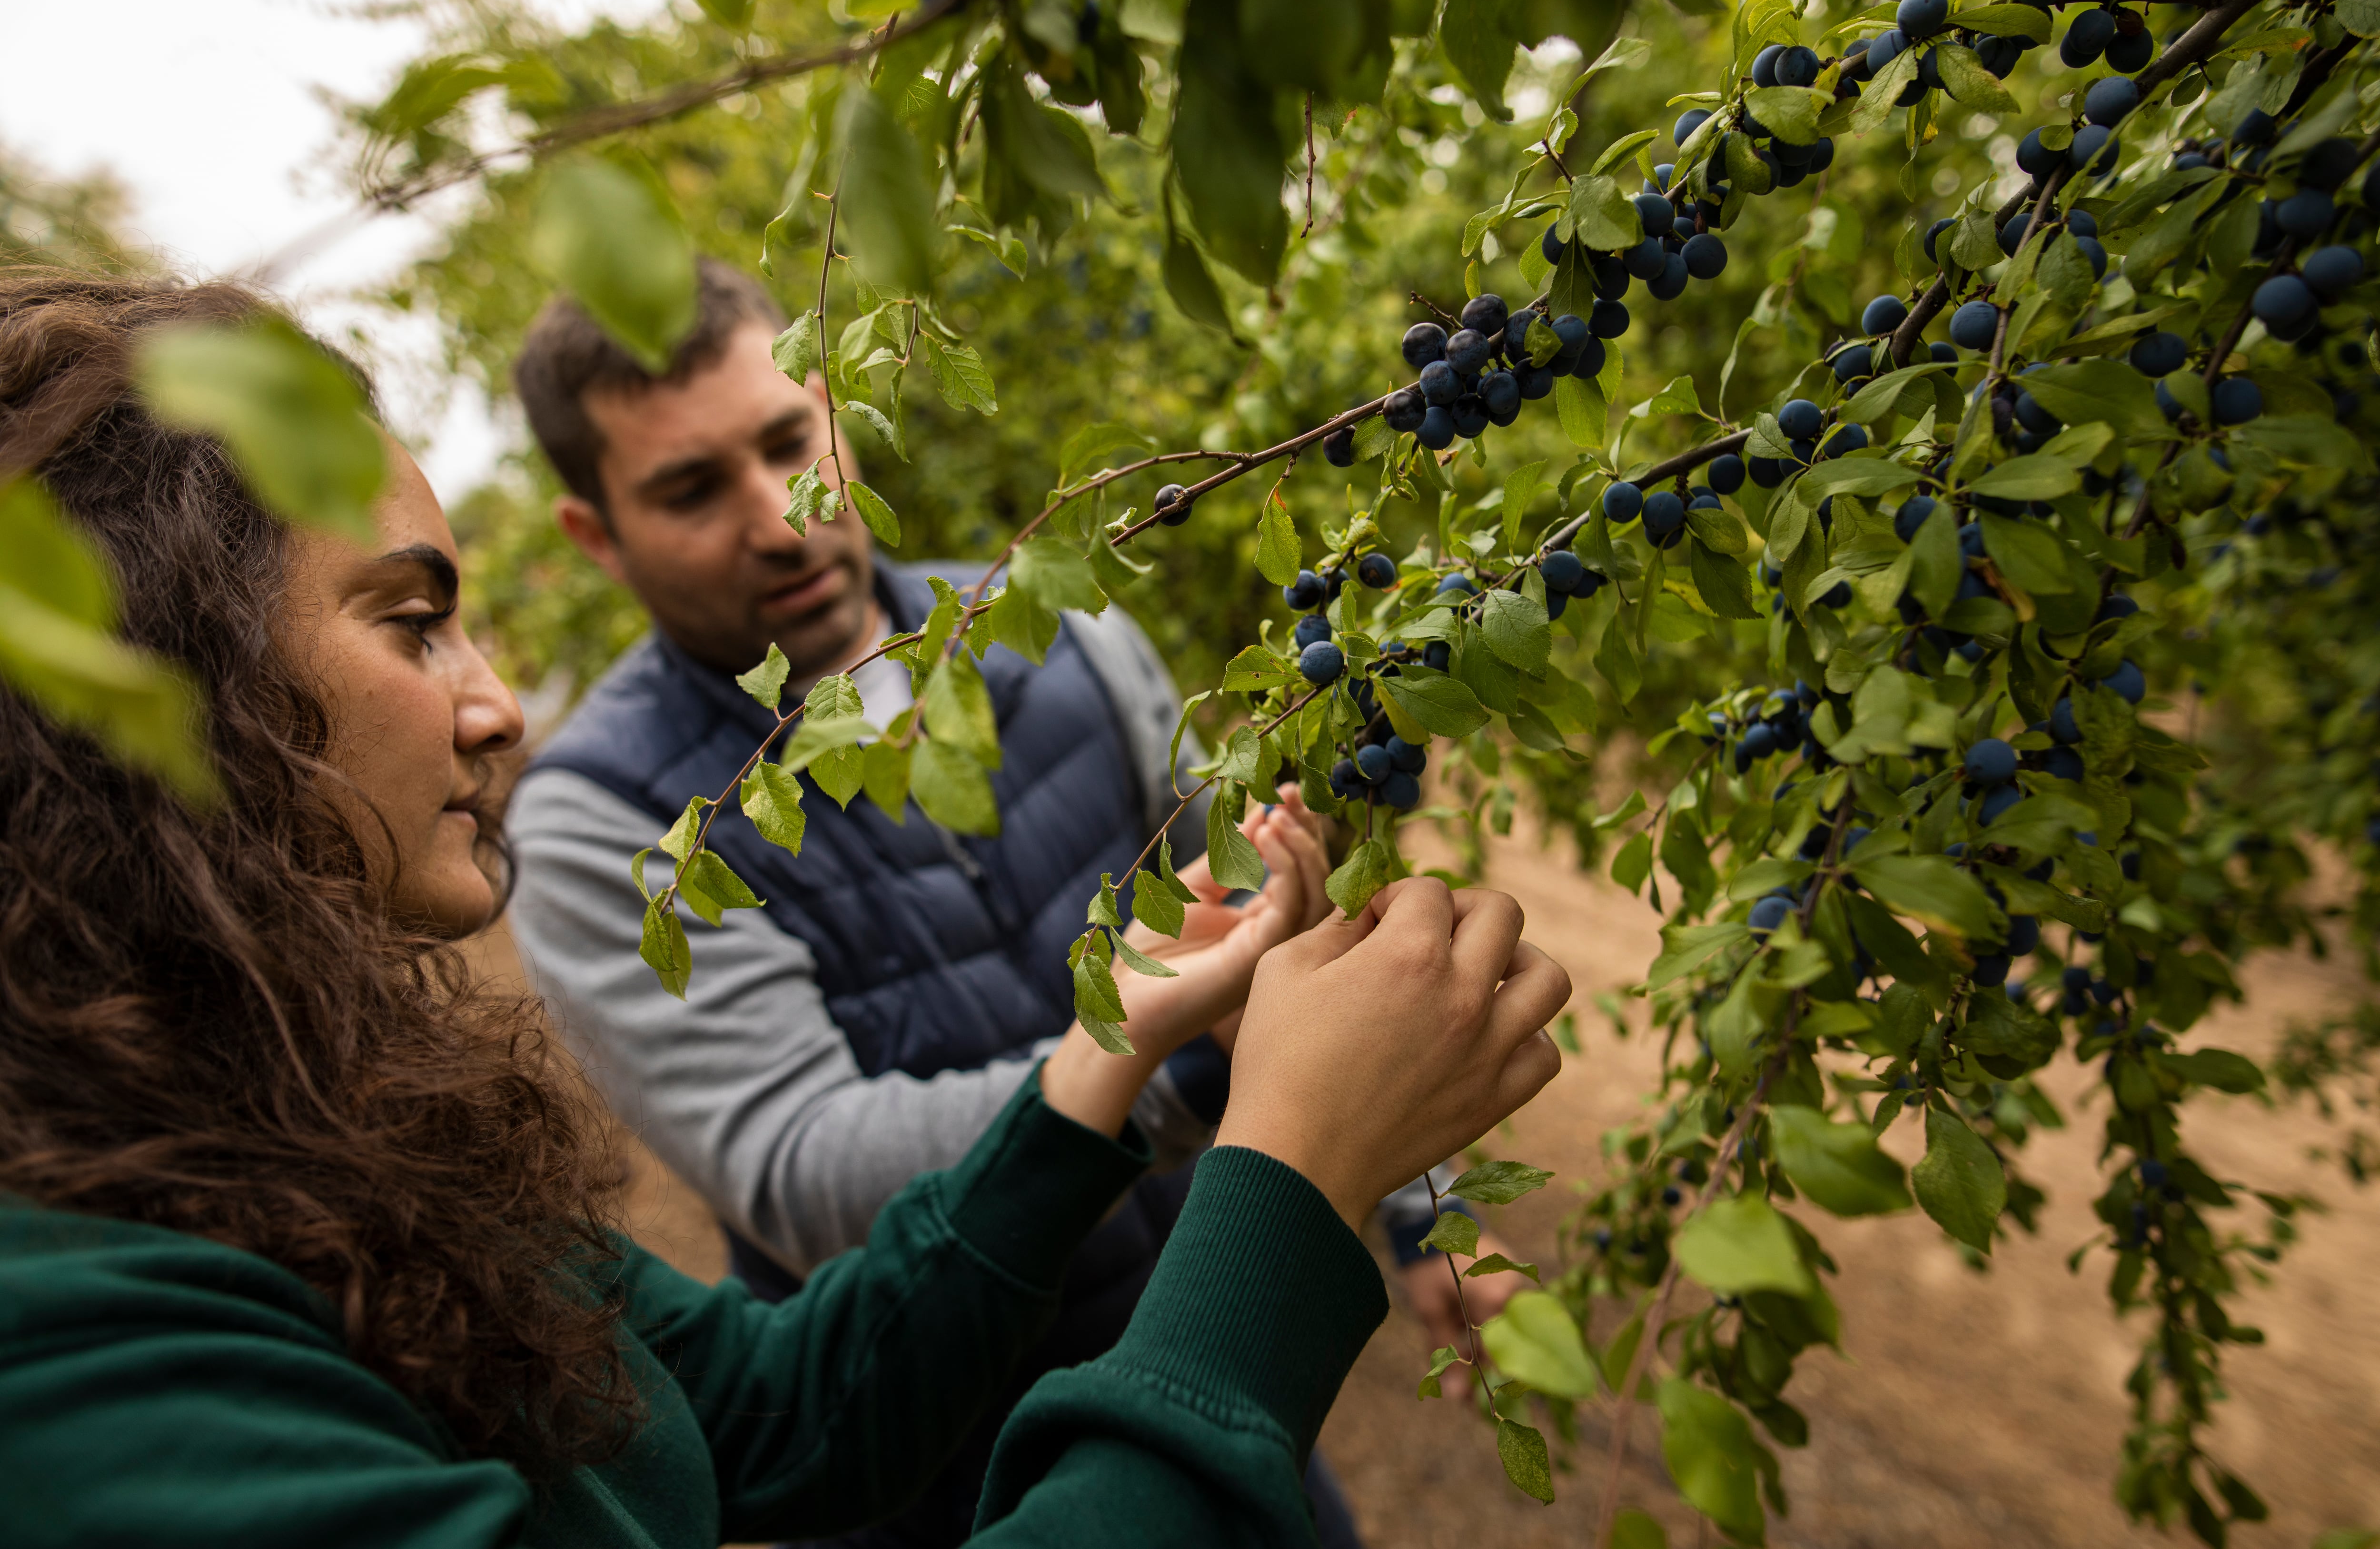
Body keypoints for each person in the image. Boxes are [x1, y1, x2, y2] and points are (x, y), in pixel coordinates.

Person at [0, 274, 1569, 1547]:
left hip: (1200, 1417)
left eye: (788, 441)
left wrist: (1128, 1047)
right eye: (413, 624)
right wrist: (1268, 1146)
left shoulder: (297, 1125)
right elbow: (804, 1173)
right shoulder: (90, 1362)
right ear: (152, 696)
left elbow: (760, 1408)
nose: (496, 711)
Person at [503, 262, 1527, 1536]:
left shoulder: (1059, 626)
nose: (780, 517)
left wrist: (1426, 1213)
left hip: (1206, 1376)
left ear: (832, 409)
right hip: (939, 1477)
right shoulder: (605, 822)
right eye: (691, 490)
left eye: (787, 444)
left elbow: (1273, 920)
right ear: (595, 534)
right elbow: (806, 1176)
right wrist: (1187, 1059)